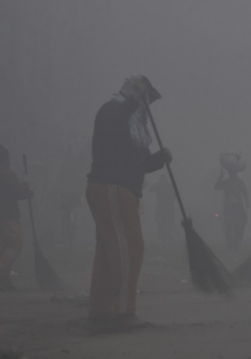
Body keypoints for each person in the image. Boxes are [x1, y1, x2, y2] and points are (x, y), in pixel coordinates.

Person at [85, 75, 173, 332]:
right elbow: (114, 133)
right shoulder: (113, 111)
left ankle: (100, 311)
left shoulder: (136, 126)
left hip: (120, 189)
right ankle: (123, 311)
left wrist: (160, 159)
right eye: (145, 100)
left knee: (109, 249)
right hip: (112, 187)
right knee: (129, 246)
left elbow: (141, 164)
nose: (147, 107)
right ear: (133, 96)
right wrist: (136, 100)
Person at [0, 144, 33, 291]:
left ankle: (1, 282)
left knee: (1, 248)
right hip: (9, 216)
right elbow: (16, 192)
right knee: (15, 245)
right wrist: (26, 189)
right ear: (5, 159)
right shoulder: (8, 174)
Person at [214, 166, 250, 252]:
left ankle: (234, 244)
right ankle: (232, 244)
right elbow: (216, 187)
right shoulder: (235, 182)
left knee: (237, 226)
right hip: (232, 207)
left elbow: (245, 193)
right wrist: (247, 203)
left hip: (234, 207)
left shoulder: (234, 182)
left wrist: (247, 203)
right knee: (231, 226)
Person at [149, 175, 176, 241]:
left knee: (169, 222)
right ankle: (162, 237)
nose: (163, 182)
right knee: (161, 222)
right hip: (161, 207)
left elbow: (175, 195)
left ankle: (169, 235)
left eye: (164, 180)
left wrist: (171, 200)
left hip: (168, 206)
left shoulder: (170, 185)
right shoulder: (159, 185)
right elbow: (150, 189)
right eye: (162, 180)